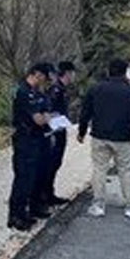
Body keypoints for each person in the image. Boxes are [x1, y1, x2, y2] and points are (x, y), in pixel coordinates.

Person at [77, 58, 130, 220]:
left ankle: (98, 204)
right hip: (122, 137)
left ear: (108, 71)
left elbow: (85, 113)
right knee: (126, 170)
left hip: (99, 135)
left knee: (99, 169)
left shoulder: (95, 89)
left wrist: (81, 132)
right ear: (125, 72)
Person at [9, 64, 53, 231]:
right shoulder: (23, 92)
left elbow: (46, 112)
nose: (45, 80)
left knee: (34, 176)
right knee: (23, 178)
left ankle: (31, 209)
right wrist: (45, 116)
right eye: (43, 77)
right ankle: (16, 216)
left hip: (36, 139)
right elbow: (39, 119)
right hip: (25, 139)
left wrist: (45, 115)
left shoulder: (35, 92)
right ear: (36, 74)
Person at [40, 61, 77, 206]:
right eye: (72, 73)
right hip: (54, 132)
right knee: (51, 163)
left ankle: (49, 193)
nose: (74, 76)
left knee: (56, 163)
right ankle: (45, 196)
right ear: (67, 73)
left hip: (60, 130)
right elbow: (50, 111)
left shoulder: (60, 89)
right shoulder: (56, 90)